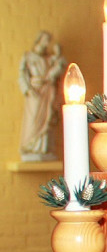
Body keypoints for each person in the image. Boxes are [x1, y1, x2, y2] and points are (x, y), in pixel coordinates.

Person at [18, 31, 65, 161]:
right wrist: (27, 88)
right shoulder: (28, 56)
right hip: (35, 91)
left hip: (47, 90)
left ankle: (43, 148)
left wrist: (58, 55)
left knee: (47, 117)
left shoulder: (49, 58)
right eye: (45, 40)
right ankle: (31, 146)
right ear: (39, 40)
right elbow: (22, 74)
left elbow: (59, 68)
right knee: (33, 119)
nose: (46, 43)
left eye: (48, 41)